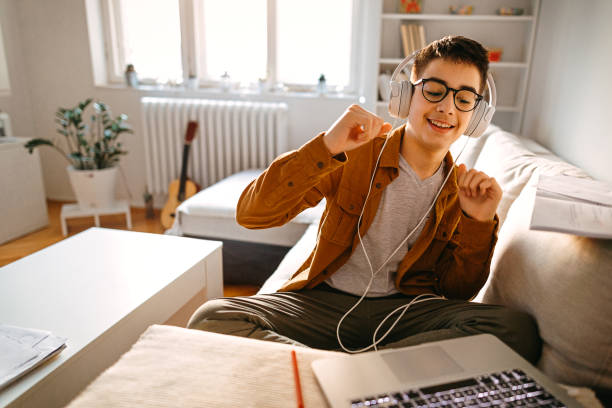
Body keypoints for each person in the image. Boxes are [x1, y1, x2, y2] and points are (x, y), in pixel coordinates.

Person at [188, 36, 541, 363]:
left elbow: (458, 292)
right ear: (405, 96)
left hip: (407, 312)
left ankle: (339, 368)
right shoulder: (352, 152)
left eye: (464, 98)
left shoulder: (463, 189)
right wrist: (325, 147)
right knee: (212, 318)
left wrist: (477, 222)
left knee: (515, 330)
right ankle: (372, 368)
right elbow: (252, 214)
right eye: (434, 91)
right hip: (324, 302)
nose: (448, 108)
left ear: (476, 115)